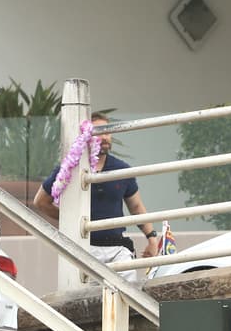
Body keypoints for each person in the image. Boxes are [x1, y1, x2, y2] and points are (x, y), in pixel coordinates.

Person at [33, 113, 160, 282]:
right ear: (87, 135)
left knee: (127, 298)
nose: (105, 137)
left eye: (108, 132)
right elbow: (40, 202)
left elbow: (136, 207)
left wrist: (152, 238)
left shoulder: (122, 169)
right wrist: (70, 220)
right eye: (100, 132)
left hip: (118, 247)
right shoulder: (70, 167)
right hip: (84, 247)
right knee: (87, 303)